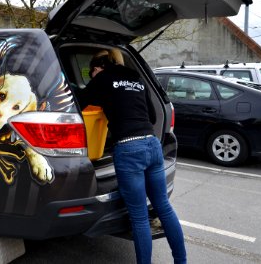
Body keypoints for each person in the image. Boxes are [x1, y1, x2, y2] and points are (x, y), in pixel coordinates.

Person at [79, 48, 187, 264]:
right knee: (163, 207)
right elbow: (154, 115)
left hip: (128, 150)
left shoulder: (101, 78)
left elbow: (79, 101)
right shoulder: (136, 77)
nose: (92, 76)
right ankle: (181, 261)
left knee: (139, 217)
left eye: (91, 72)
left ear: (97, 68)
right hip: (152, 146)